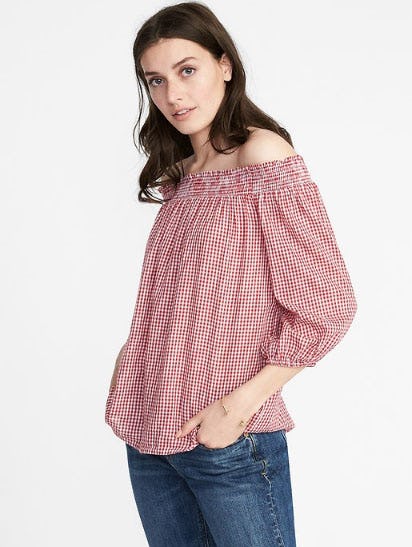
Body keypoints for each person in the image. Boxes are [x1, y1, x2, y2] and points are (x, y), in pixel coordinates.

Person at [104, 2, 358, 546]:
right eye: (156, 80)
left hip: (228, 439)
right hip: (149, 430)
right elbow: (176, 297)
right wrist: (129, 360)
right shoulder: (182, 176)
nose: (173, 94)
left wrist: (238, 406)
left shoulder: (261, 156)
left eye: (187, 70)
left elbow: (329, 305)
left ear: (225, 65)